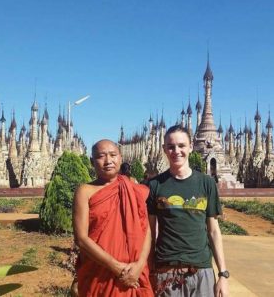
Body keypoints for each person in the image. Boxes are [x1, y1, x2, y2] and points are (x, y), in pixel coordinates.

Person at [147, 125, 229, 297]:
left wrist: (223, 274)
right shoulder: (155, 185)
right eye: (171, 146)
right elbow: (150, 232)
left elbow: (213, 230)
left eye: (182, 145)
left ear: (191, 146)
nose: (176, 151)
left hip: (201, 271)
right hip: (166, 271)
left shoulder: (206, 183)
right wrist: (149, 269)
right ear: (164, 149)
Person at [73, 139, 154, 296]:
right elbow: (81, 239)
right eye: (101, 156)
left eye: (113, 155)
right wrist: (116, 267)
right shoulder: (85, 191)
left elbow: (146, 230)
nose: (108, 160)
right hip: (100, 275)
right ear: (92, 161)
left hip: (135, 274)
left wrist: (139, 265)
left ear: (121, 158)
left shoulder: (133, 188)